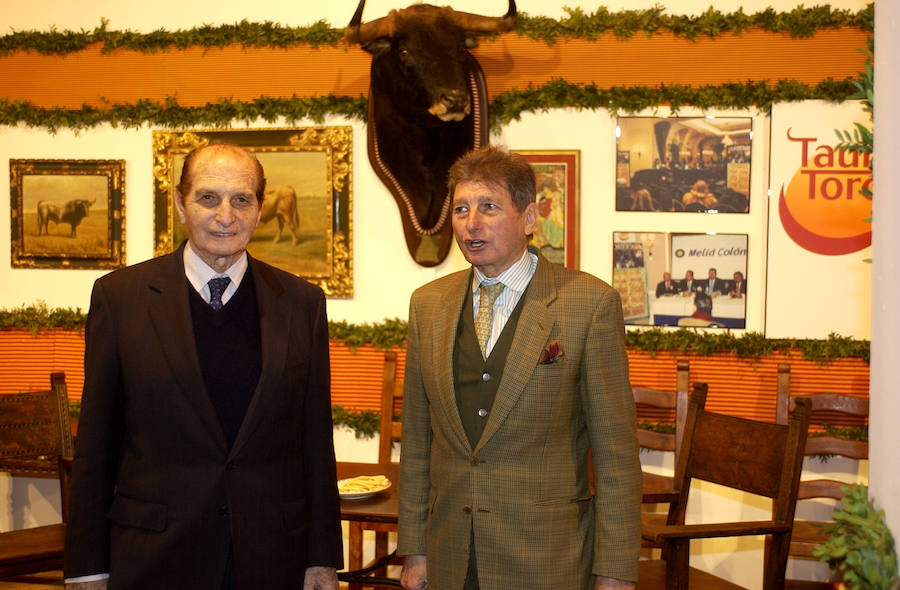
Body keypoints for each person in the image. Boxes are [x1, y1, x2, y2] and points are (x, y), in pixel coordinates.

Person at [63, 144, 343, 590]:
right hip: (156, 558)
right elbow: (97, 443)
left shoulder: (301, 303)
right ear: (180, 203)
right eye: (209, 198)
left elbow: (314, 440)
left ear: (259, 207)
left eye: (242, 199)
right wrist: (87, 566)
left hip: (270, 558)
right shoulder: (121, 299)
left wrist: (322, 558)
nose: (226, 216)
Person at [398, 146, 641, 590]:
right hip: (451, 555)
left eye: (489, 207)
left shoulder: (589, 304)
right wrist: (415, 550)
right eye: (461, 209)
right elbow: (417, 441)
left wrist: (616, 572)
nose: (471, 223)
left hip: (547, 558)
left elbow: (616, 458)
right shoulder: (427, 306)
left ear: (529, 219)